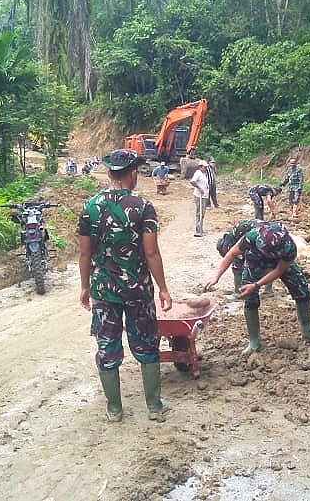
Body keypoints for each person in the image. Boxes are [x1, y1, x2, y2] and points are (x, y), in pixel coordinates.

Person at [78, 149, 173, 422]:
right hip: (137, 291)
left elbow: (84, 254)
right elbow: (151, 253)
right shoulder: (143, 207)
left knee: (107, 347)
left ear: (109, 173)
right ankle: (154, 407)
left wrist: (85, 287)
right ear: (132, 173)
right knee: (146, 345)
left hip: (103, 291)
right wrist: (163, 288)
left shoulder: (90, 207)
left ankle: (114, 410)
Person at [204, 220, 310, 354]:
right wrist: (216, 277)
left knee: (301, 287)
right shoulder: (252, 236)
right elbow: (232, 253)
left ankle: (308, 333)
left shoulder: (289, 247)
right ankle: (254, 342)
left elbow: (279, 270)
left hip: (280, 259)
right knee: (249, 295)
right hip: (254, 257)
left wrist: (257, 284)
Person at [189, 160, 210, 236]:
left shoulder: (204, 174)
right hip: (199, 196)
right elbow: (192, 181)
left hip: (204, 196)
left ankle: (200, 228)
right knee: (199, 213)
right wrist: (199, 188)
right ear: (200, 167)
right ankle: (198, 230)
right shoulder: (198, 173)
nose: (206, 168)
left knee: (202, 213)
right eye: (205, 167)